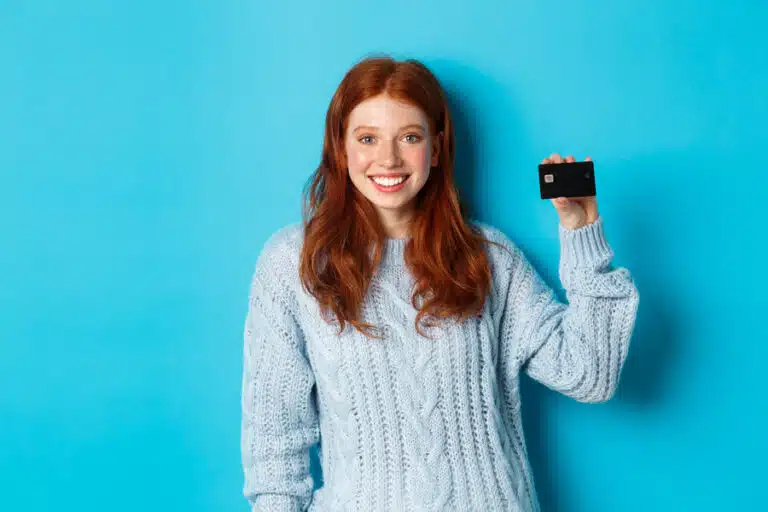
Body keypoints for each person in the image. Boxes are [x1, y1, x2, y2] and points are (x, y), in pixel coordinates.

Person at [240, 55, 639, 512]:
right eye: (367, 138)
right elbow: (274, 454)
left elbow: (590, 374)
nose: (388, 159)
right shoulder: (294, 263)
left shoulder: (487, 257)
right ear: (341, 146)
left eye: (409, 137)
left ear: (436, 145)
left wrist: (581, 232)